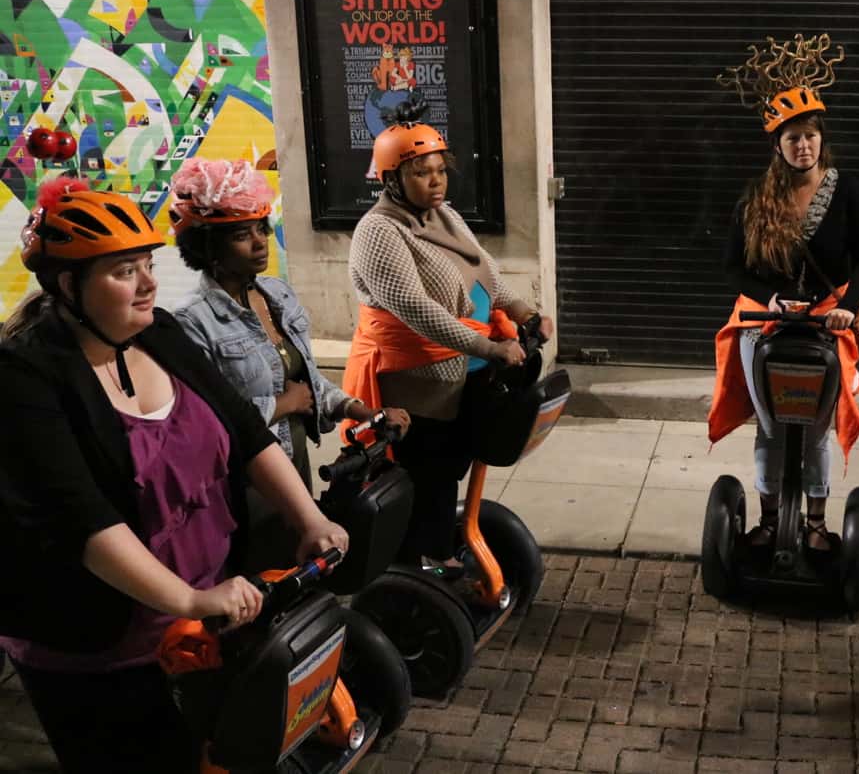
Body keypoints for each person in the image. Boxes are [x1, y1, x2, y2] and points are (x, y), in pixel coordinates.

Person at [0, 176, 349, 774]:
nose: (148, 283)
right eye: (124, 272)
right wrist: (189, 597)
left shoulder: (160, 333)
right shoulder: (25, 376)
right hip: (102, 640)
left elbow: (246, 431)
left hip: (204, 618)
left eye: (147, 265)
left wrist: (310, 519)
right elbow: (83, 519)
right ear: (68, 286)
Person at [344, 101, 554, 572]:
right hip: (418, 386)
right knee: (427, 478)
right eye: (421, 173)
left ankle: (437, 552)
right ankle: (422, 569)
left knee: (448, 474)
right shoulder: (378, 231)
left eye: (440, 170)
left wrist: (524, 311)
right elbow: (416, 309)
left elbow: (486, 275)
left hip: (466, 377)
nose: (436, 181)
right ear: (391, 179)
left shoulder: (446, 216)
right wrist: (490, 347)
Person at [709, 34, 859, 558]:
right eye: (792, 138)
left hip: (828, 322)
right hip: (765, 322)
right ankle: (767, 520)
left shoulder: (846, 191)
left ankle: (817, 523)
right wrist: (772, 299)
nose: (803, 145)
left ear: (821, 140)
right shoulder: (757, 197)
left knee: (816, 431)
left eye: (810, 136)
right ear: (777, 146)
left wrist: (847, 306)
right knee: (771, 430)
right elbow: (732, 267)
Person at [169, 157, 409, 495]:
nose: (259, 242)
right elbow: (204, 419)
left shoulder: (277, 295)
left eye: (260, 229)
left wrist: (366, 412)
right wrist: (285, 404)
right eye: (241, 235)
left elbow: (309, 383)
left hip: (294, 458)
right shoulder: (192, 321)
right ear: (208, 248)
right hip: (245, 479)